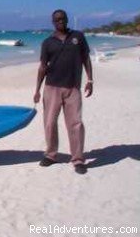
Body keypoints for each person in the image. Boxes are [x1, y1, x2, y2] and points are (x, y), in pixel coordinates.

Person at [33, 9, 93, 174]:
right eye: (57, 19)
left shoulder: (78, 37)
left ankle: (78, 159)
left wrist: (90, 80)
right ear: (53, 22)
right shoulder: (47, 43)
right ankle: (51, 155)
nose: (60, 21)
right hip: (51, 87)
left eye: (62, 18)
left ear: (67, 19)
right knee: (50, 122)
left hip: (73, 87)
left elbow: (86, 58)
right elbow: (43, 67)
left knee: (76, 124)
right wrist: (37, 89)